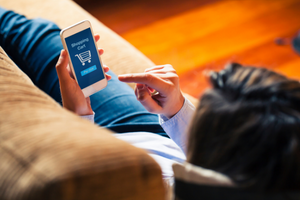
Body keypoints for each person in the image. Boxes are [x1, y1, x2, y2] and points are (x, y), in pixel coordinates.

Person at [1, 7, 300, 191]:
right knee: (34, 35)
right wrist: (177, 110)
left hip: (103, 148)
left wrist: (79, 118)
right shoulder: (277, 162)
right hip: (147, 131)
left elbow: (97, 185)